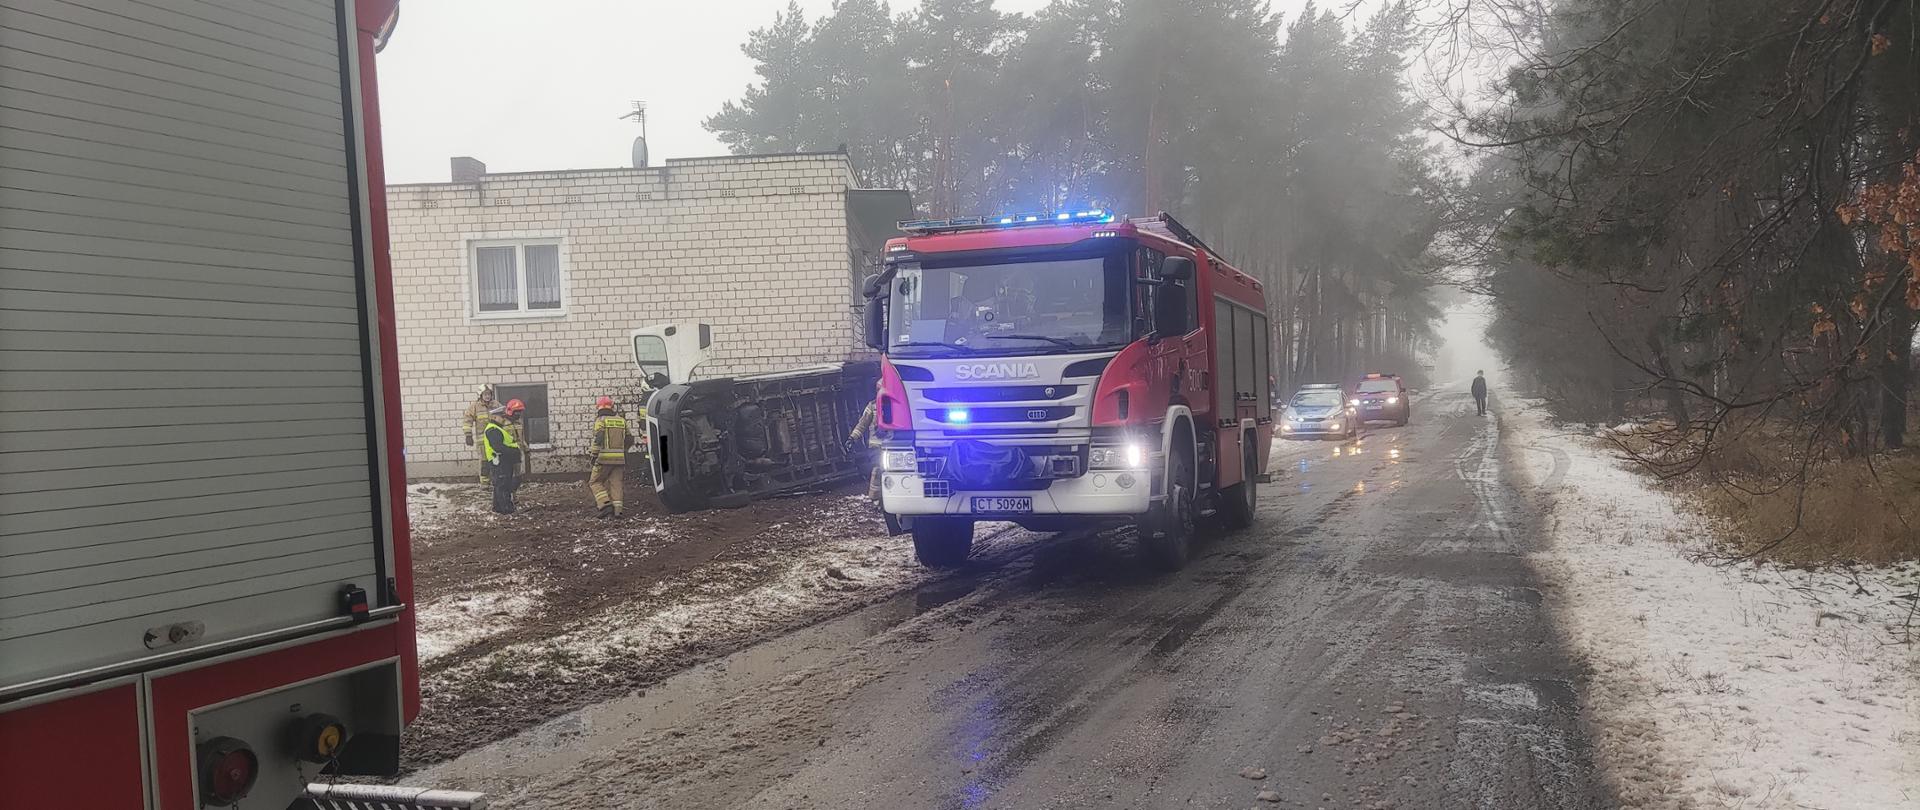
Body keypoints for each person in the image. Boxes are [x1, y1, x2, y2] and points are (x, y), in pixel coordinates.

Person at [586, 395, 633, 519]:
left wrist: (593, 455)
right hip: (620, 460)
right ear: (612, 407)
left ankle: (605, 505)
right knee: (616, 484)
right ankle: (618, 511)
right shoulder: (621, 420)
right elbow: (630, 439)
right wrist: (623, 451)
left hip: (603, 459)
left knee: (595, 482)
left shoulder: (600, 420)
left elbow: (598, 439)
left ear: (599, 408)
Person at [481, 399, 525, 514]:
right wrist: (513, 450)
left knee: (500, 486)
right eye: (501, 417)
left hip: (502, 461)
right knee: (503, 486)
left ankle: (498, 508)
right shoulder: (493, 429)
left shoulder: (497, 429)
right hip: (499, 461)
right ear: (495, 417)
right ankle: (507, 509)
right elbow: (498, 447)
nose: (503, 419)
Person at [845, 380, 884, 500]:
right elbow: (862, 424)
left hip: (892, 447)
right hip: (876, 447)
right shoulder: (872, 406)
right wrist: (852, 438)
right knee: (878, 470)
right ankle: (876, 498)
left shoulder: (897, 405)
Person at [461, 385, 496, 484]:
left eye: (489, 394)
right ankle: (485, 483)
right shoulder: (475, 406)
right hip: (483, 440)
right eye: (485, 394)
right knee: (484, 462)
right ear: (480, 395)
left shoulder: (496, 404)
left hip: (496, 438)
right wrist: (468, 435)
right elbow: (467, 420)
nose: (487, 396)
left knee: (496, 460)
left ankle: (496, 481)